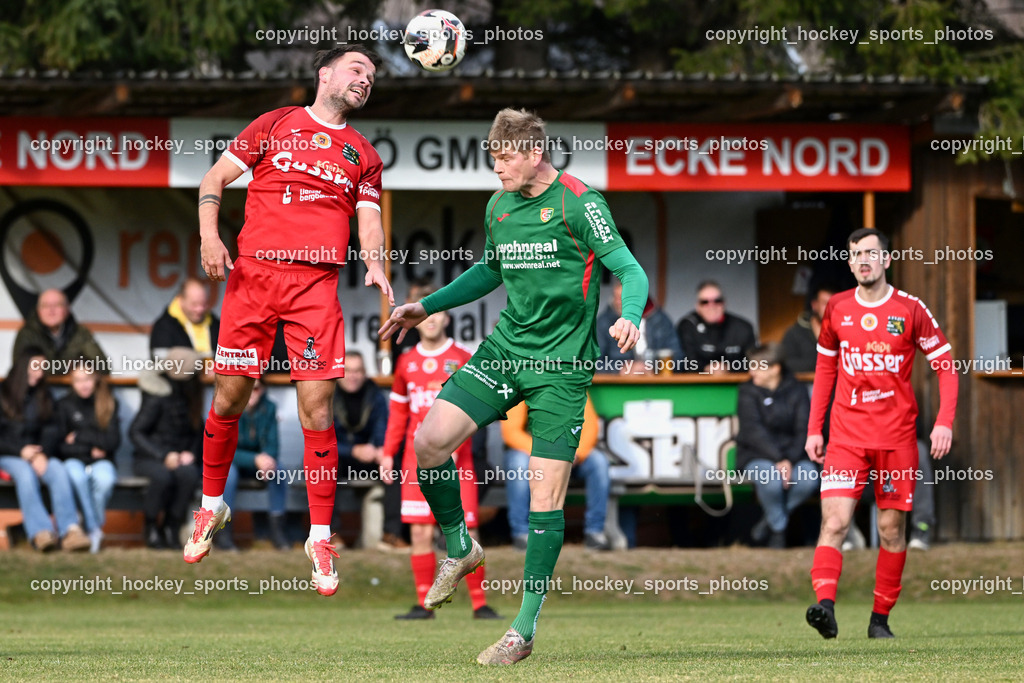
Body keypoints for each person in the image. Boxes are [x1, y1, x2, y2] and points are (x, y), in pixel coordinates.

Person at [380, 107, 648, 665]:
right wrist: (422, 307)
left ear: (533, 153)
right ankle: (461, 548)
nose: (497, 169)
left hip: (561, 368)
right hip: (505, 352)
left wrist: (632, 315)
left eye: (504, 159)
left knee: (544, 495)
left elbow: (630, 270)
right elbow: (489, 271)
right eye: (493, 159)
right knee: (428, 443)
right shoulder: (499, 205)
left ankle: (521, 631)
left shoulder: (580, 201)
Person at [184, 44, 394, 598]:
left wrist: (374, 261)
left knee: (317, 407)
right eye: (357, 69)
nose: (365, 80)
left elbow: (369, 223)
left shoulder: (363, 155)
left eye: (371, 76)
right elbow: (213, 180)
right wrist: (210, 235)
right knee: (230, 396)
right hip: (252, 277)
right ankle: (212, 507)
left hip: (314, 286)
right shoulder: (274, 125)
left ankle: (320, 536)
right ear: (324, 74)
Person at [804, 228, 958, 640]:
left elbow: (946, 365)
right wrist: (813, 429)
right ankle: (825, 607)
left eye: (872, 253)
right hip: (845, 437)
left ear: (887, 260)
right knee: (834, 522)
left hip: (896, 439)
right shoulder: (836, 308)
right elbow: (825, 371)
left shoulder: (910, 309)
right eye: (856, 254)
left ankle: (879, 619)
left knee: (891, 530)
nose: (864, 260)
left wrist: (943, 421)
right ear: (850, 262)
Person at [383, 298, 500, 620]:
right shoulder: (406, 361)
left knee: (468, 528)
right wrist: (387, 453)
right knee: (420, 532)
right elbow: (398, 413)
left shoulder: (463, 357)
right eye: (425, 315)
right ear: (415, 320)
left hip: (458, 459)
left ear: (447, 317)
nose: (430, 320)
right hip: (413, 460)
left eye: (437, 313)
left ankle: (480, 604)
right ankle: (425, 605)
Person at [0, 348, 89, 551]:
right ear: (23, 367)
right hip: (8, 454)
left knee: (57, 469)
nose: (39, 373)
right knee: (24, 472)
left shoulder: (45, 395)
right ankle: (41, 533)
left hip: (37, 454)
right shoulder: (3, 393)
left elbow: (53, 429)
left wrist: (43, 454)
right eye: (35, 367)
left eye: (43, 368)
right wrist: (21, 451)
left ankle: (71, 531)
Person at [503, 393, 611, 550]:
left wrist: (576, 453)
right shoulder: (524, 381)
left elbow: (590, 427)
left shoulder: (573, 381)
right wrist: (546, 453)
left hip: (568, 455)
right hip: (531, 453)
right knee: (518, 463)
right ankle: (521, 533)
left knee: (599, 462)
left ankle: (595, 532)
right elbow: (511, 432)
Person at [736, 344, 818, 549]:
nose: (751, 371)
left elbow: (804, 429)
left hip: (794, 456)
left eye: (757, 366)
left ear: (775, 368)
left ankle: (769, 524)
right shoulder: (747, 391)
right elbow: (753, 432)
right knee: (771, 480)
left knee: (810, 479)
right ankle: (779, 534)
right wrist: (778, 459)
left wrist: (788, 459)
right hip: (756, 454)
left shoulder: (797, 389)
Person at [130, 347, 203, 549]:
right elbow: (136, 432)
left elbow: (197, 430)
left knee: (189, 474)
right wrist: (163, 455)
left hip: (179, 457)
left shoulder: (191, 395)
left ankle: (172, 525)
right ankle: (152, 526)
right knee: (163, 476)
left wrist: (191, 452)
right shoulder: (157, 396)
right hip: (149, 458)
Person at [333, 351, 404, 549]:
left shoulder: (374, 394)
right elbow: (323, 441)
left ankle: (390, 534)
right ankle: (331, 534)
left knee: (393, 467)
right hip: (340, 457)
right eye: (347, 370)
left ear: (365, 373)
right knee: (324, 464)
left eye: (358, 371)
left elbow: (382, 427)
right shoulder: (328, 395)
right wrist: (352, 450)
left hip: (369, 458)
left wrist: (382, 451)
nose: (353, 376)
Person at [54, 359, 120, 553]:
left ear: (96, 379)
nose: (83, 384)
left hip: (102, 461)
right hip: (74, 460)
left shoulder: (108, 402)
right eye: (78, 380)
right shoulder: (64, 405)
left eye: (87, 379)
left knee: (105, 480)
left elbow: (112, 442)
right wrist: (90, 448)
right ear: (72, 382)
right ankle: (94, 529)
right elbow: (59, 447)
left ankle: (90, 526)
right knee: (77, 477)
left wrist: (79, 437)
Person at [218, 377, 289, 551]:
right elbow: (223, 449)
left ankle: (276, 530)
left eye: (256, 388)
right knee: (228, 475)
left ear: (263, 389)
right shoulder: (226, 407)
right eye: (246, 387)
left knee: (279, 471)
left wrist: (267, 460)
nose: (251, 392)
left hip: (258, 465)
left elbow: (273, 444)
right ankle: (223, 532)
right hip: (232, 462)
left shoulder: (270, 408)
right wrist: (254, 460)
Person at [596, 279, 684, 374]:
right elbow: (592, 363)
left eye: (625, 297)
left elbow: (678, 357)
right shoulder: (603, 323)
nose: (619, 302)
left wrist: (652, 368)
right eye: (616, 297)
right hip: (618, 385)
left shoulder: (660, 320)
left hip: (655, 383)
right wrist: (621, 370)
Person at [12, 289, 107, 374]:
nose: (51, 310)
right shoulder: (27, 334)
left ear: (67, 309)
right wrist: (73, 366)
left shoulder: (81, 333)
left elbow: (102, 366)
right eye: (45, 306)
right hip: (37, 392)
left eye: (57, 305)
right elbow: (20, 369)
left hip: (72, 391)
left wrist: (44, 367)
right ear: (38, 310)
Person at [676, 280, 756, 374]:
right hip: (697, 385)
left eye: (717, 301)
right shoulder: (687, 326)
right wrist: (706, 368)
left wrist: (728, 368)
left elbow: (753, 362)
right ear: (698, 307)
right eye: (705, 302)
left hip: (736, 384)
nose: (712, 306)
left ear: (724, 303)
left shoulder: (742, 327)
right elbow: (683, 362)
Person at [150, 277, 220, 359]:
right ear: (180, 300)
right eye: (194, 304)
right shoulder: (164, 326)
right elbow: (159, 359)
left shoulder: (216, 324)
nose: (199, 309)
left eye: (203, 304)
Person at [780, 283, 836, 373]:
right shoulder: (795, 333)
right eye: (825, 303)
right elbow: (785, 364)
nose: (831, 308)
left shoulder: (846, 331)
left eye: (834, 304)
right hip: (805, 384)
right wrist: (827, 363)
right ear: (814, 305)